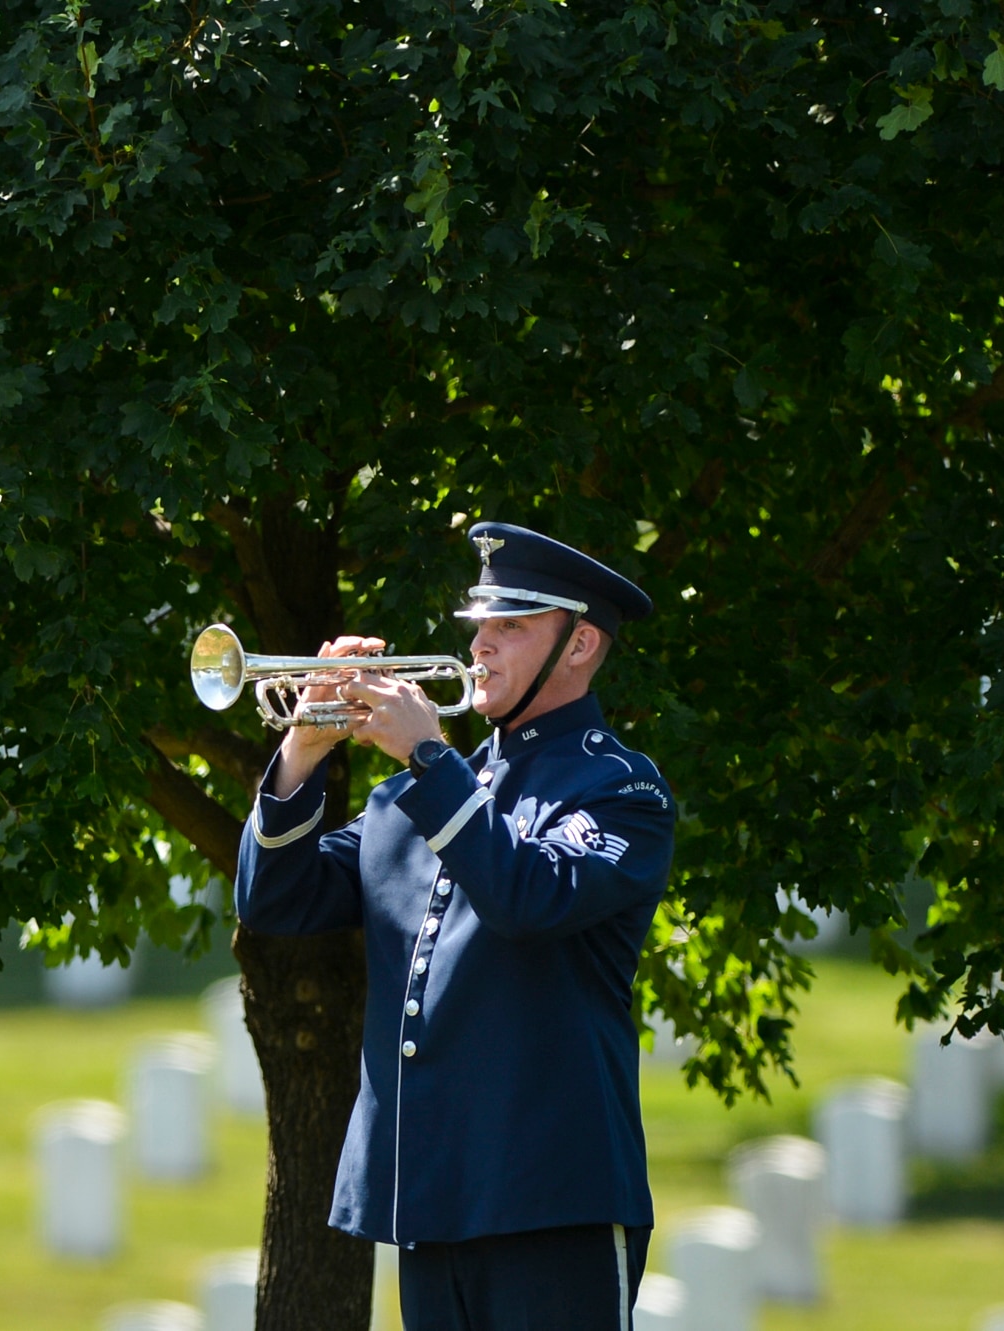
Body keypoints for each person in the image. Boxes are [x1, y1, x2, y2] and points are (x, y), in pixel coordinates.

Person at [235, 522, 676, 1331]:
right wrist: (302, 748)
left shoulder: (620, 790)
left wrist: (431, 762)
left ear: (580, 644)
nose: (482, 647)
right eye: (480, 626)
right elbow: (275, 902)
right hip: (431, 1202)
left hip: (554, 1200)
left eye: (512, 626)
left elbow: (529, 896)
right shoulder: (421, 798)